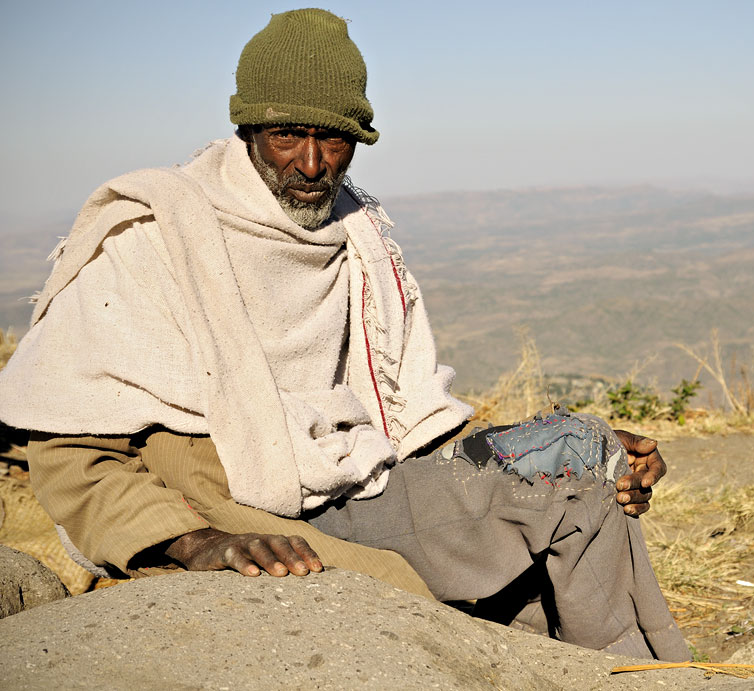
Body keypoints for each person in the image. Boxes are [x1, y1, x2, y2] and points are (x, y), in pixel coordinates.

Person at [0, 9, 686, 661]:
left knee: (584, 456)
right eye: (286, 136)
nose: (309, 164)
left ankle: (628, 672)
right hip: (233, 509)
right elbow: (73, 458)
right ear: (247, 130)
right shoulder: (155, 238)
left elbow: (407, 420)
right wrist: (194, 541)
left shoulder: (358, 235)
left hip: (354, 485)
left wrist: (582, 445)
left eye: (331, 139)